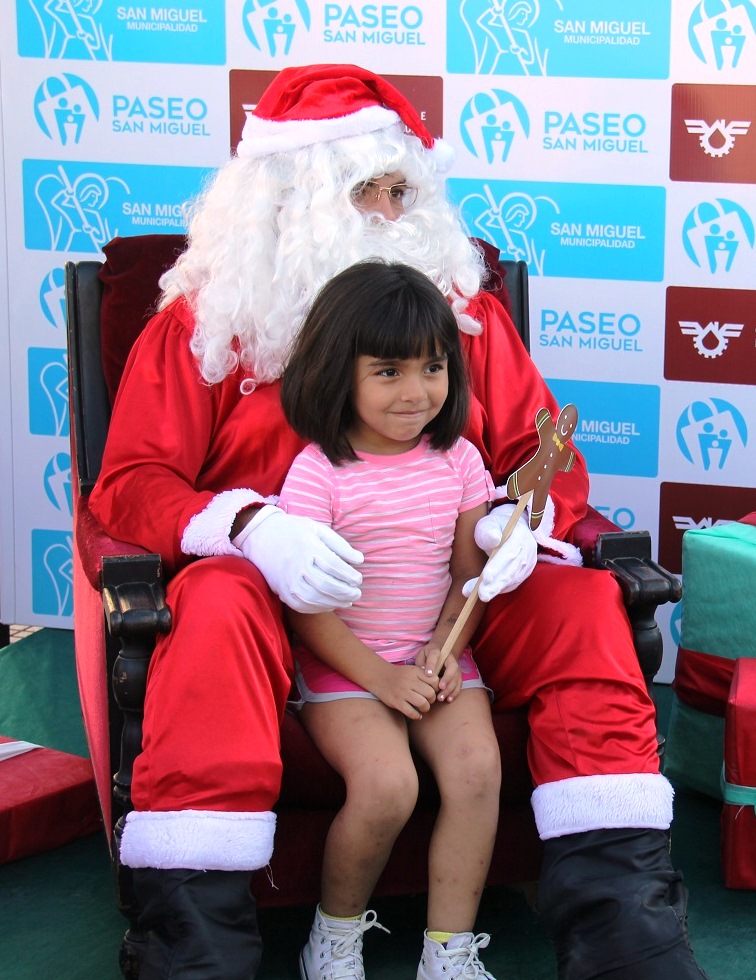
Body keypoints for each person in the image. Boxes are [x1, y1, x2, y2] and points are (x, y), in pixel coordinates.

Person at [89, 62, 706, 979]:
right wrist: (253, 526)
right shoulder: (205, 323)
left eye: (402, 189)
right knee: (215, 599)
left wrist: (515, 525)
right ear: (288, 196)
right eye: (364, 190)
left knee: (579, 603)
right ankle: (194, 946)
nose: (388, 210)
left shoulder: (466, 319)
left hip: (449, 591)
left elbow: (543, 461)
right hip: (278, 605)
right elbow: (132, 483)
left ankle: (625, 932)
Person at [278, 261, 500, 979]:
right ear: (337, 372)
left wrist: (441, 648)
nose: (416, 392)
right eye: (388, 372)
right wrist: (383, 677)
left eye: (432, 367)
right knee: (387, 787)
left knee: (476, 771)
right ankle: (336, 937)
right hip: (347, 662)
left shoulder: (461, 460)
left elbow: (468, 578)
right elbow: (307, 608)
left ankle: (449, 952)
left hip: (437, 656)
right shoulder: (317, 473)